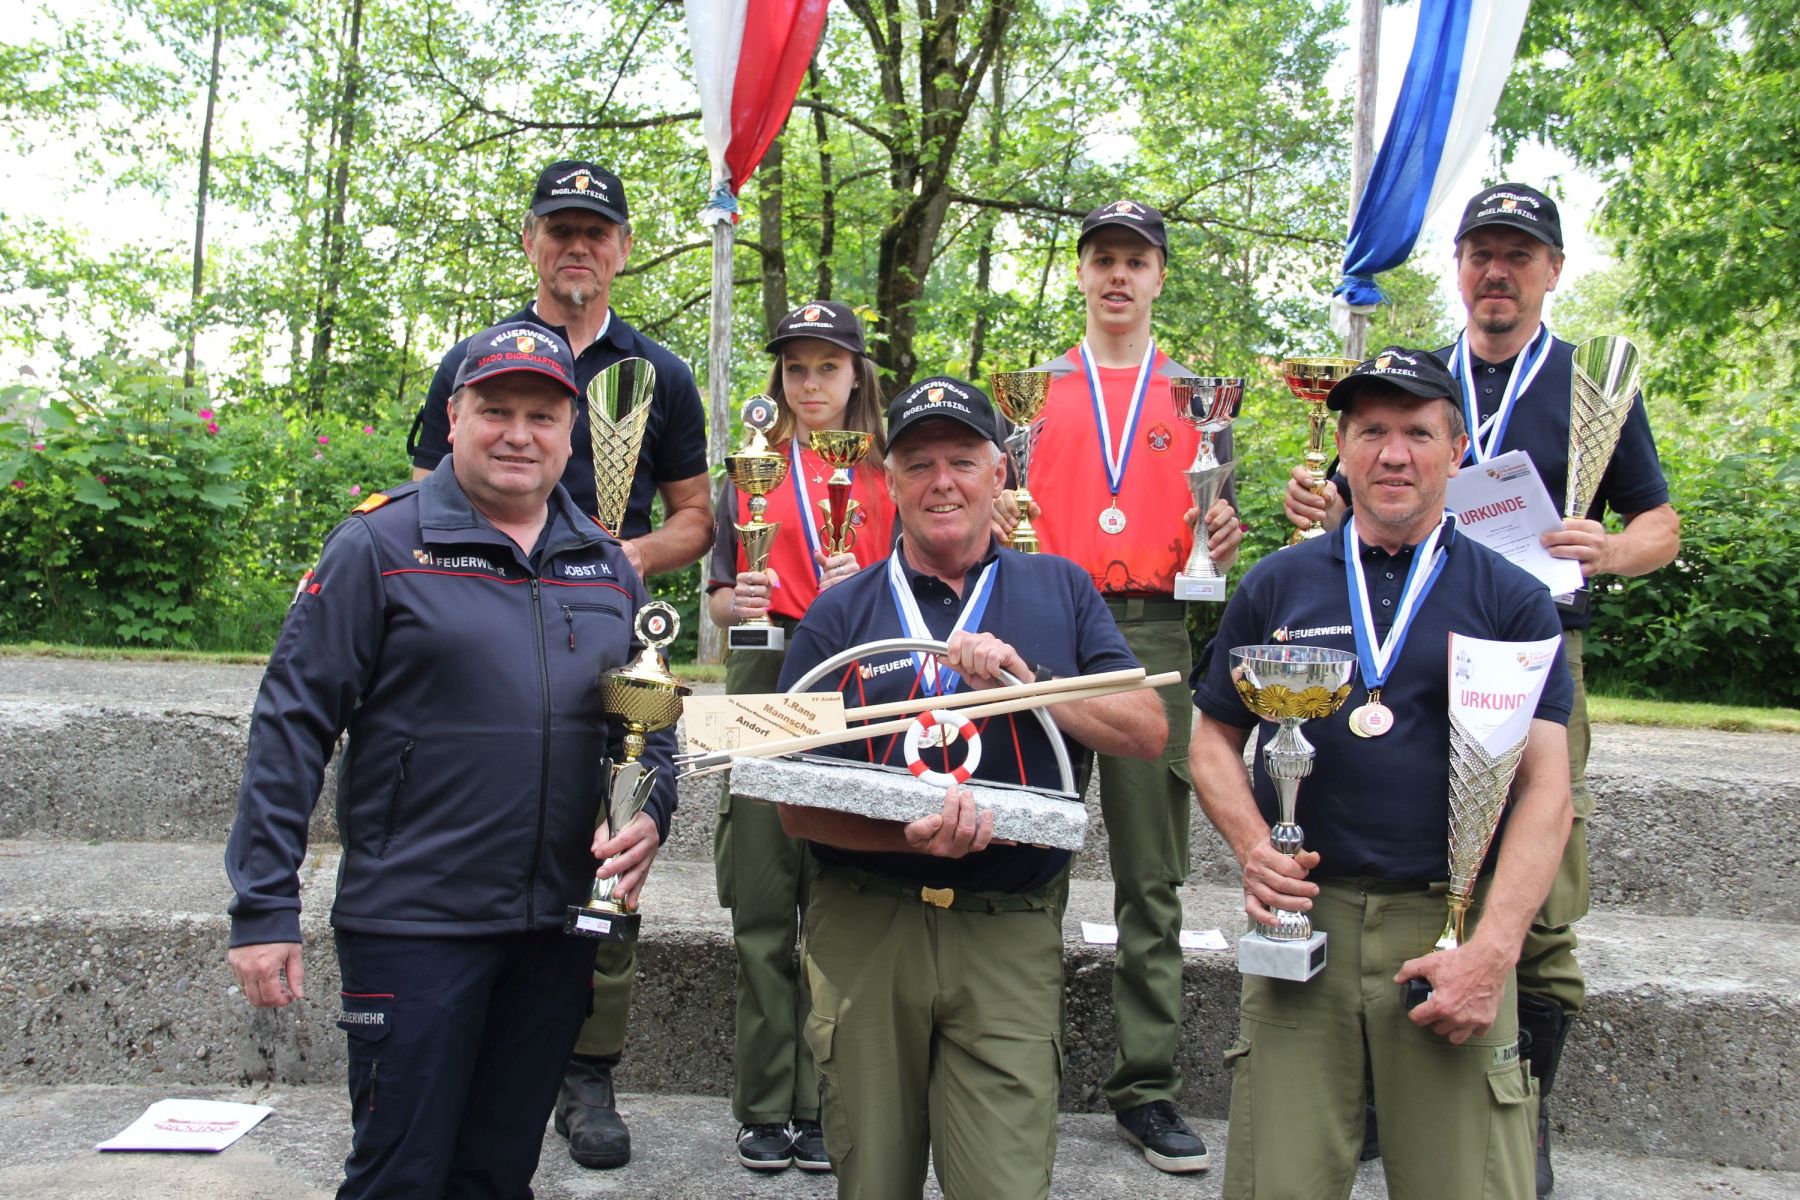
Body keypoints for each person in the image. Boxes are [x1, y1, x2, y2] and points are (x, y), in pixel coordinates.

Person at [1284, 183, 1678, 1195]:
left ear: (1551, 270)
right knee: (1397, 859)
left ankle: (1521, 1112)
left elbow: (1661, 527)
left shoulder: (1588, 387)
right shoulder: (1418, 383)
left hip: (1535, 653)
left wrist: (1613, 550)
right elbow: (1353, 500)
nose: (1496, 272)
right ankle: (1388, 1090)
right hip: (1401, 658)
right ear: (1459, 268)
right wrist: (1311, 503)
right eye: (1480, 253)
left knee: (1535, 890)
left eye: (1518, 254)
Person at [225, 324, 678, 1198]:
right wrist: (263, 906)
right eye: (495, 410)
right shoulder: (378, 548)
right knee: (401, 1174)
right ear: (454, 416)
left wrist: (650, 813)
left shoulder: (607, 568)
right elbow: (290, 725)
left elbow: (651, 722)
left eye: (541, 415)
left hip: (555, 931)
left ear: (572, 430)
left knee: (499, 1174)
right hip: (415, 925)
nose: (519, 434)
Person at [1195, 346, 1575, 1200]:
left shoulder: (1511, 597)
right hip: (1304, 924)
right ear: (1343, 446)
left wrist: (1492, 952)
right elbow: (1212, 737)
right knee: (1277, 1184)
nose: (1393, 453)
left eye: (1416, 432)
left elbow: (1547, 790)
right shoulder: (1279, 584)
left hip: (1447, 926)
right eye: (1371, 431)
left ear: (1456, 450)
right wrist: (1256, 846)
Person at [776, 375, 1167, 1200]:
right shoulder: (837, 614)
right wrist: (899, 834)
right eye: (918, 464)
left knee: (1005, 1183)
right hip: (867, 924)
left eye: (963, 460)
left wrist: (1031, 682)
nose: (942, 481)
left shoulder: (1059, 589)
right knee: (870, 1180)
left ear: (1000, 477)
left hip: (1008, 935)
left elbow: (1146, 728)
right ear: (890, 484)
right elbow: (789, 798)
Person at [408, 159, 714, 1169]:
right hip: (489, 631)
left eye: (597, 231)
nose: (577, 247)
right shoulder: (476, 356)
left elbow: (696, 519)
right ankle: (469, 1034)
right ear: (533, 242)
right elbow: (422, 505)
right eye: (559, 229)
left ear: (623, 249)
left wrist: (622, 558)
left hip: (609, 636)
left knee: (616, 826)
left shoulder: (661, 374)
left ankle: (585, 1068)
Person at [995, 199, 1243, 1173]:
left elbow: (1216, 528)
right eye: (1102, 258)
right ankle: (1020, 1070)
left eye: (1136, 261)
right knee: (1031, 861)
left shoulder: (1199, 398)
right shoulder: (1032, 391)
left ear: (1159, 277)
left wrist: (1225, 537)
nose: (1118, 276)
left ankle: (1146, 1088)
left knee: (1153, 878)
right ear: (1082, 271)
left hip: (1151, 632)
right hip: (1050, 624)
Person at [702, 301, 895, 1172]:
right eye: (796, 368)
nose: (810, 384)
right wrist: (731, 604)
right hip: (767, 666)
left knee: (843, 893)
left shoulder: (892, 474)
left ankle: (827, 1100)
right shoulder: (749, 470)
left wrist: (867, 587)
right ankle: (763, 1101)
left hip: (860, 676)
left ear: (857, 373)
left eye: (828, 367)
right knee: (764, 890)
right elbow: (714, 597)